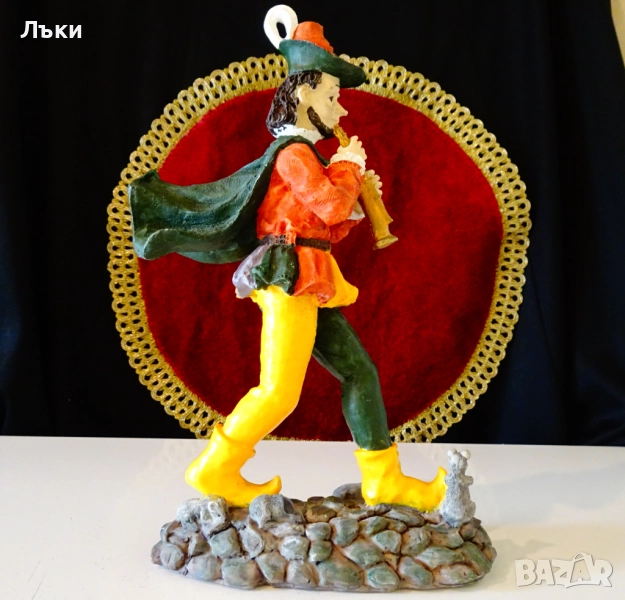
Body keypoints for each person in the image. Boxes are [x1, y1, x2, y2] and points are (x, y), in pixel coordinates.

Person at [130, 6, 447, 511]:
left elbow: (325, 225)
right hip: (289, 276)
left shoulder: (306, 156)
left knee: (359, 372)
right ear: (304, 96)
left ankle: (383, 478)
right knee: (279, 392)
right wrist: (348, 170)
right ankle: (215, 468)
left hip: (310, 275)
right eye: (333, 97)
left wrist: (357, 204)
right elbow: (329, 204)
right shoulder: (293, 154)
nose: (341, 112)